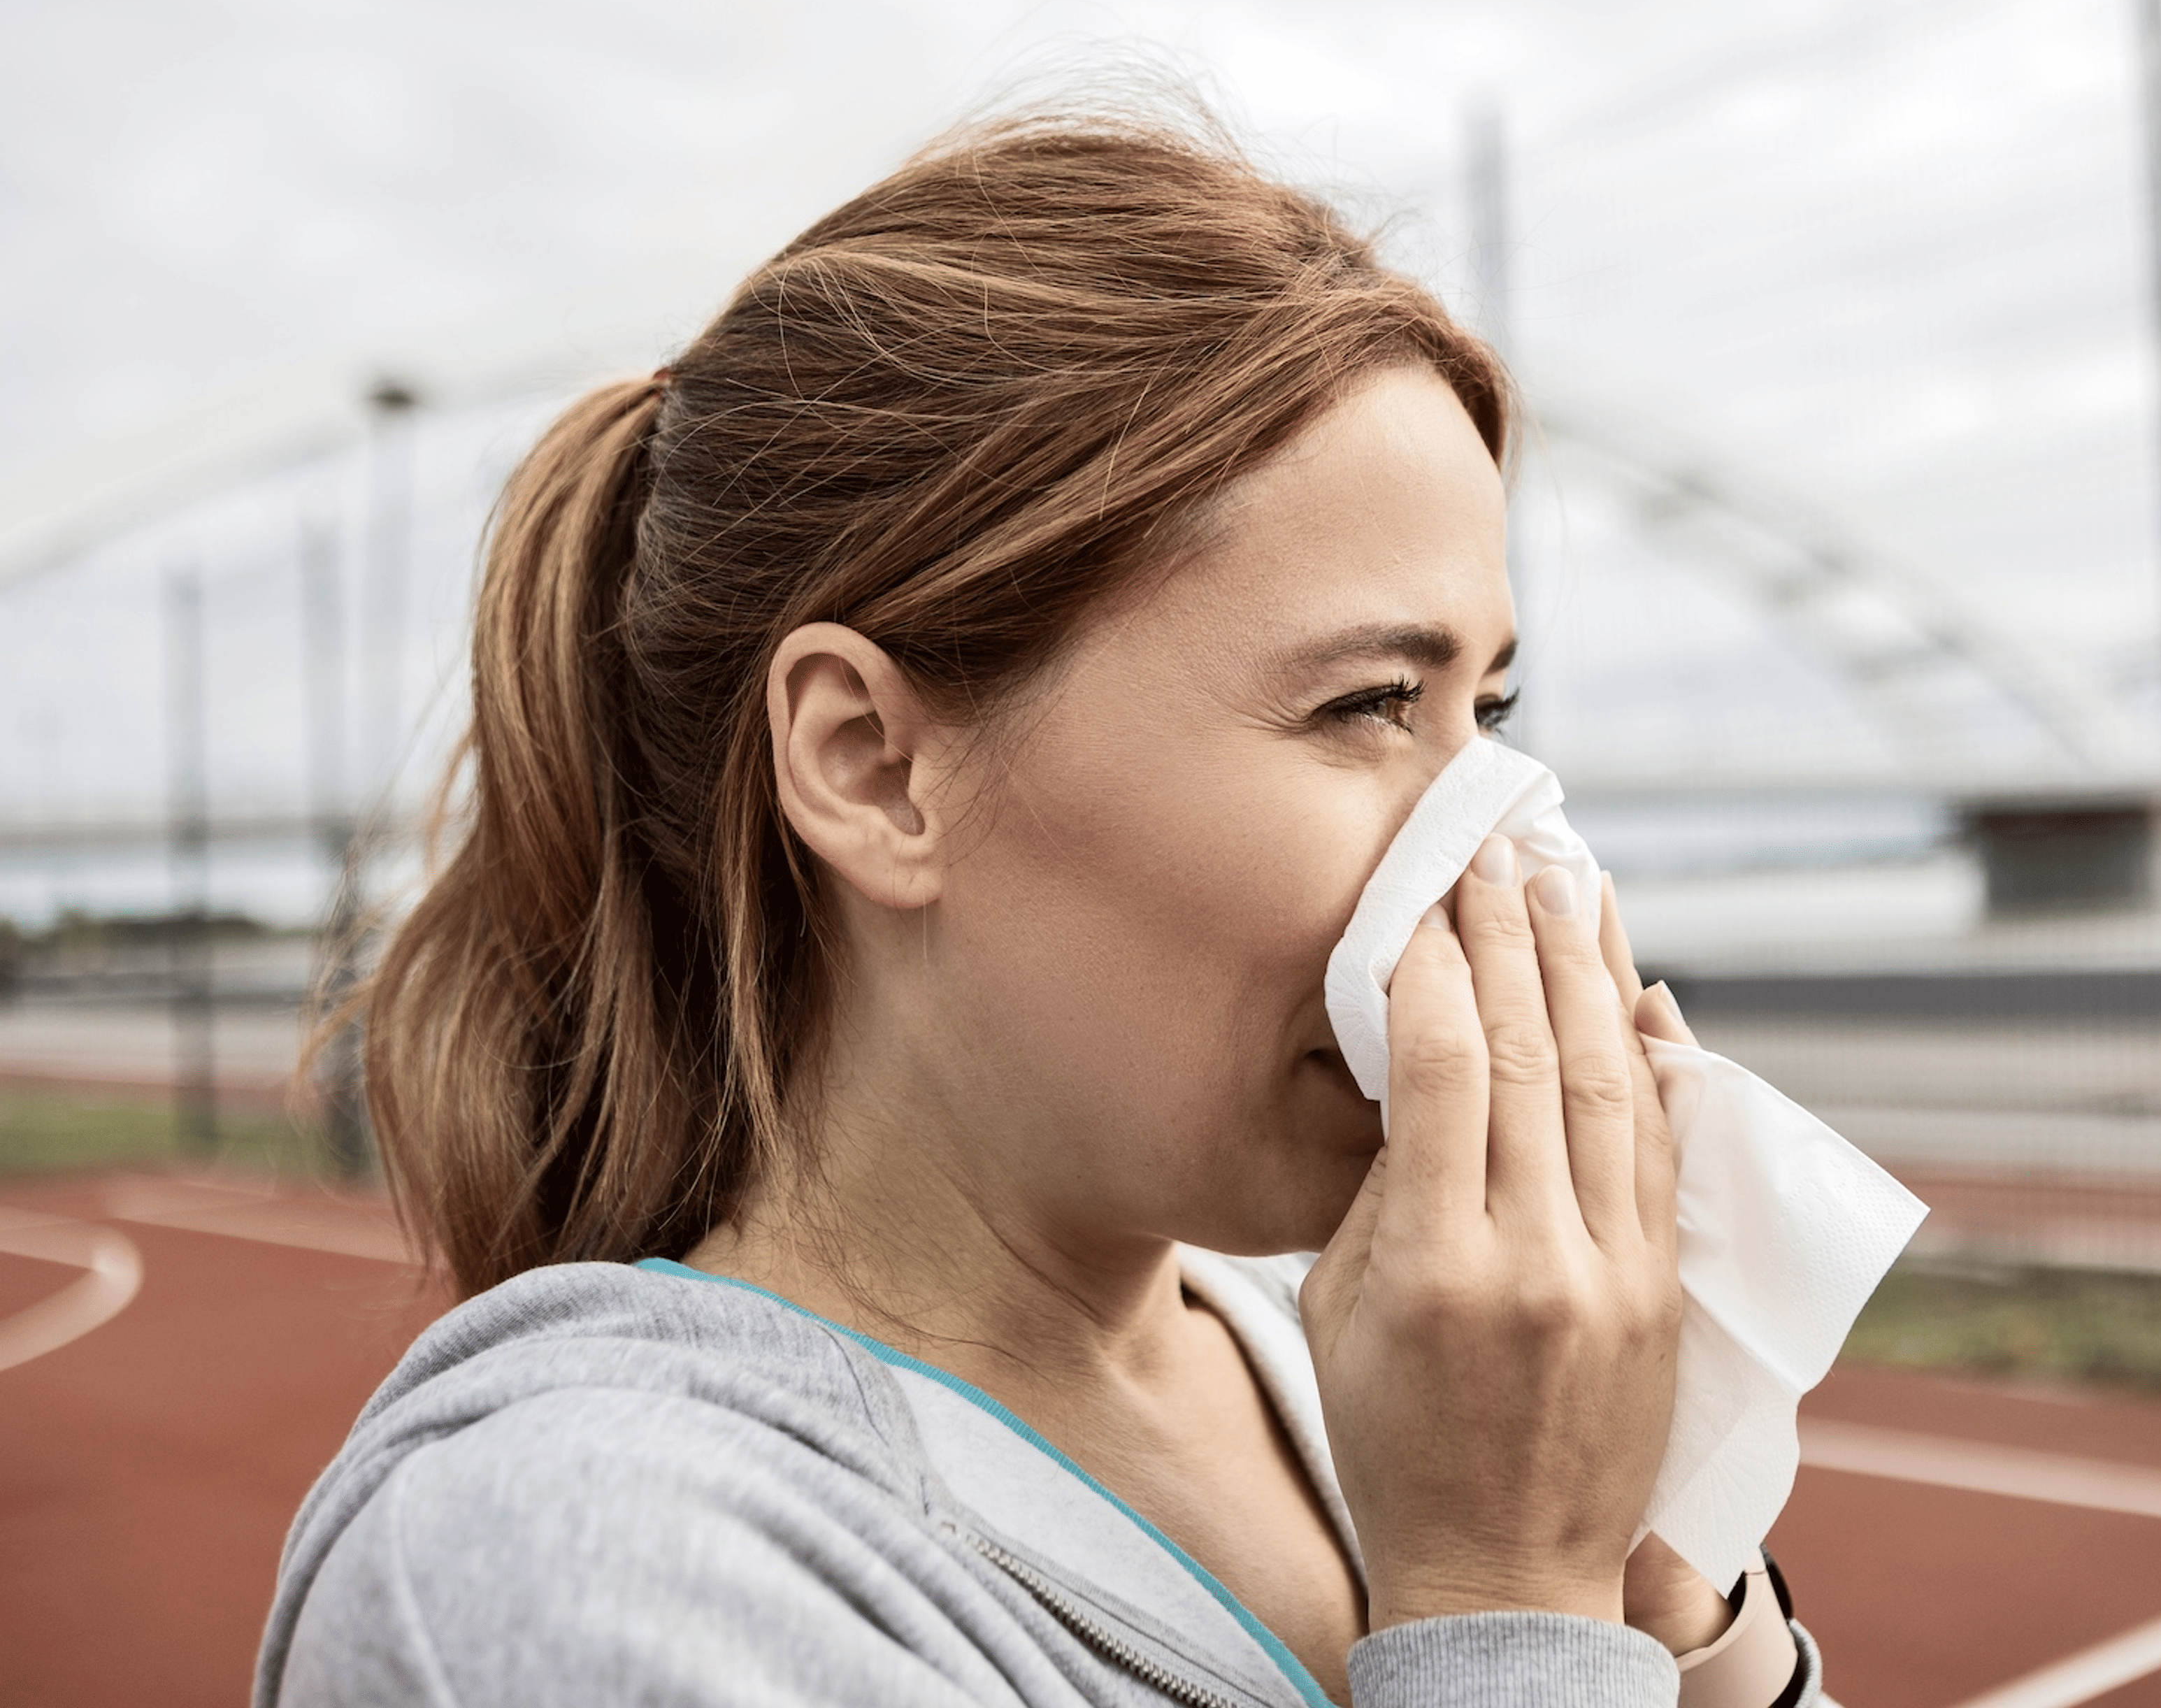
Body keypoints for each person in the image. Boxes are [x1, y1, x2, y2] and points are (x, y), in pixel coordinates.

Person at [257, 103, 1822, 1708]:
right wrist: (1506, 1606)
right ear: (873, 767)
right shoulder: (570, 1570)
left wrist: (1671, 1608)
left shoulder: (1361, 1358)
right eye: (1366, 703)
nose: (1507, 853)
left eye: (1483, 715)